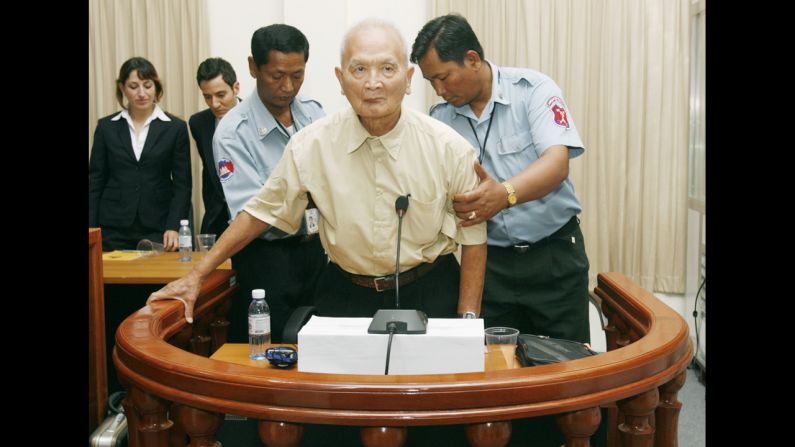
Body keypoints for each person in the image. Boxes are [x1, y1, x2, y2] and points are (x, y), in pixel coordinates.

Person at [148, 18, 487, 333]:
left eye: (387, 68)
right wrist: (197, 275)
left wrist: (468, 322)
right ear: (341, 80)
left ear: (409, 79)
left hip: (430, 290)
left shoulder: (448, 148)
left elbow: (474, 239)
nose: (373, 83)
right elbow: (260, 212)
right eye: (359, 69)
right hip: (346, 295)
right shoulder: (310, 145)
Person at [411, 14, 597, 446]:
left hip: (553, 255)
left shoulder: (533, 91)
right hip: (489, 265)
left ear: (472, 58)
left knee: (565, 375)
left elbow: (556, 163)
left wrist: (505, 195)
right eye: (431, 82)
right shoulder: (441, 117)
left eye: (443, 77)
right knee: (497, 379)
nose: (439, 90)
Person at [210, 24, 328, 343]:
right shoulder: (234, 132)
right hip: (267, 259)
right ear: (253, 67)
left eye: (297, 75)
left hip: (316, 250)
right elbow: (256, 212)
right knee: (274, 354)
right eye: (276, 76)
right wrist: (312, 196)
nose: (288, 87)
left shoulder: (314, 113)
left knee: (320, 347)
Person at [89, 56, 191, 252]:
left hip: (158, 225)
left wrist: (174, 226)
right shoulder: (106, 127)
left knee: (153, 281)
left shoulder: (176, 128)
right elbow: (95, 181)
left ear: (156, 86)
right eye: (134, 86)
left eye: (147, 85)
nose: (142, 93)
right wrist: (91, 228)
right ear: (122, 88)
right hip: (112, 226)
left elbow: (182, 184)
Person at [189, 57, 240, 237]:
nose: (214, 104)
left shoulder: (256, 117)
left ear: (236, 88)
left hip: (251, 219)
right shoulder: (198, 123)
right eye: (207, 96)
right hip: (217, 219)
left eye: (220, 95)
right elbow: (209, 173)